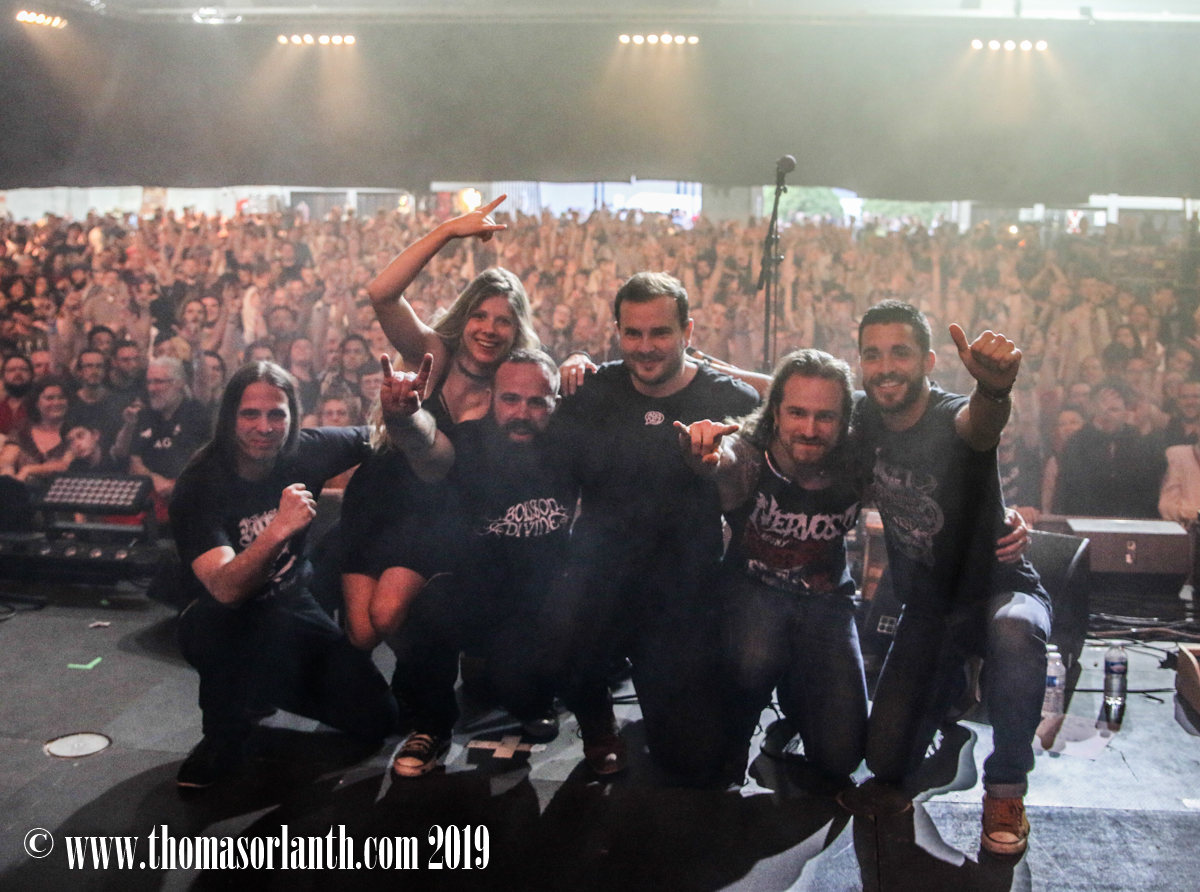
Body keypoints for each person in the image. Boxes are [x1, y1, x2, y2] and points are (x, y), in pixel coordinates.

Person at [843, 300, 1050, 859]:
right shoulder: (864, 417)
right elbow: (788, 385)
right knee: (885, 762)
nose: (886, 367)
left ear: (929, 361)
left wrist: (996, 389)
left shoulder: (954, 414)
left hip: (1001, 589)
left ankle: (1005, 789)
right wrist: (701, 362)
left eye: (900, 353)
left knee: (1014, 631)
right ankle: (956, 687)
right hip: (931, 609)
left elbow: (981, 425)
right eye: (872, 354)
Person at [169, 359, 428, 788]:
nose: (264, 427)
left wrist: (401, 411)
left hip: (290, 606)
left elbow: (382, 439)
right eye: (250, 414)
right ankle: (221, 736)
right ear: (229, 418)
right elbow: (227, 588)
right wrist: (277, 530)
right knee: (213, 622)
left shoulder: (307, 449)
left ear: (293, 417)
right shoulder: (200, 483)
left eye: (277, 414)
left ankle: (260, 685)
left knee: (378, 718)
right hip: (224, 620)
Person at [546, 271, 760, 782]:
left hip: (681, 586)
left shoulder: (727, 397)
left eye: (660, 332)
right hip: (600, 576)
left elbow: (783, 417)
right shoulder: (591, 390)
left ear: (688, 331)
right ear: (618, 332)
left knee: (694, 762)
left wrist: (719, 462)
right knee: (554, 623)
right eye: (633, 333)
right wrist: (570, 361)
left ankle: (667, 702)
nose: (645, 347)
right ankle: (597, 726)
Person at [675, 349, 868, 792]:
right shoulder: (750, 452)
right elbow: (725, 458)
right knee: (754, 659)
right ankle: (738, 727)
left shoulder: (859, 458)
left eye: (825, 417)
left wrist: (1004, 518)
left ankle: (797, 698)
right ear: (775, 412)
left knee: (842, 758)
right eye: (797, 413)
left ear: (844, 420)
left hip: (826, 603)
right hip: (753, 595)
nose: (810, 429)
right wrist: (702, 453)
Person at [386, 349, 576, 776]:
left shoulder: (570, 444)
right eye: (511, 399)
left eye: (537, 402)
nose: (522, 413)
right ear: (491, 397)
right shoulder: (467, 442)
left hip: (541, 601)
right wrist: (404, 418)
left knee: (521, 692)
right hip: (479, 590)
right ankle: (430, 726)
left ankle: (535, 695)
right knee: (427, 608)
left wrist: (581, 357)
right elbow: (426, 446)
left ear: (555, 404)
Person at [113, 356, 211, 519]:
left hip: (188, 498)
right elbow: (133, 461)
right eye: (149, 382)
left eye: (158, 382)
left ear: (179, 383)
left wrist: (178, 485)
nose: (152, 388)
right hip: (149, 498)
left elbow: (207, 462)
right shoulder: (144, 415)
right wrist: (155, 479)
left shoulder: (196, 414)